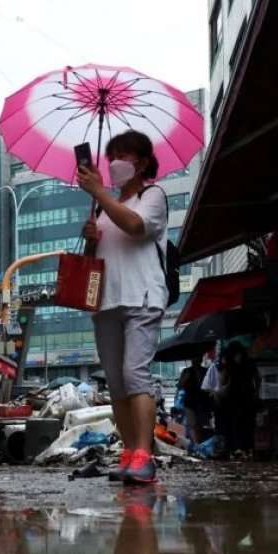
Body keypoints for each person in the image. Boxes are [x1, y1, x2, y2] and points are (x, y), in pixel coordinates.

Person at [78, 130, 168, 484]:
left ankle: (145, 454)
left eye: (124, 155)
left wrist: (99, 191)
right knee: (115, 382)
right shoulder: (102, 208)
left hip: (142, 297)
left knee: (135, 375)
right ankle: (130, 452)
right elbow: (94, 259)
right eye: (111, 155)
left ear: (142, 162)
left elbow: (135, 226)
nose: (115, 163)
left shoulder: (153, 195)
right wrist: (90, 239)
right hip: (107, 301)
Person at [221, 341, 260, 458]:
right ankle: (245, 449)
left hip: (236, 397)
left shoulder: (229, 364)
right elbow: (258, 379)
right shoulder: (248, 363)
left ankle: (240, 449)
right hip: (244, 396)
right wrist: (256, 393)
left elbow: (223, 381)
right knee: (245, 424)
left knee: (239, 423)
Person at [177, 356, 211, 443]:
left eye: (198, 358)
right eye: (194, 358)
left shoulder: (205, 371)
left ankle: (198, 442)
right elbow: (179, 386)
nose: (196, 360)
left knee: (201, 424)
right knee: (193, 424)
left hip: (202, 402)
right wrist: (185, 378)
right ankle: (196, 444)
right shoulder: (186, 371)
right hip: (190, 402)